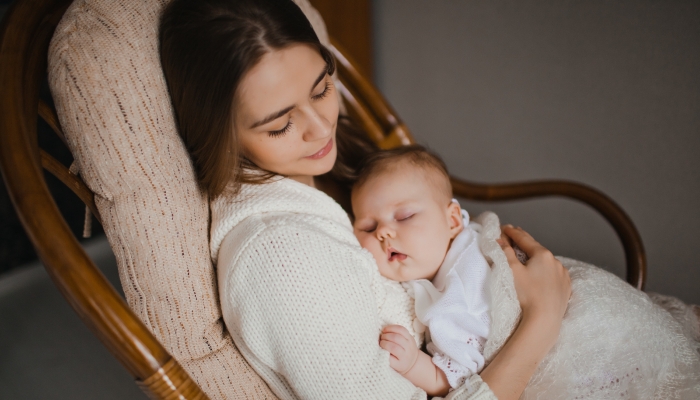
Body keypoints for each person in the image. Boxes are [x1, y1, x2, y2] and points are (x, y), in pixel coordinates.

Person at [159, 0, 571, 398]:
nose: (322, 129)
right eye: (282, 125)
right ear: (221, 135)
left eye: (322, 89)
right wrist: (542, 319)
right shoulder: (280, 258)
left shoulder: (329, 176)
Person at [351, 146, 700, 398]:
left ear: (453, 219)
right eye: (367, 227)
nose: (384, 233)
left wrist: (416, 367)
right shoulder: (441, 269)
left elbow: (456, 378)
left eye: (404, 216)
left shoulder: (458, 285)